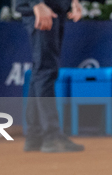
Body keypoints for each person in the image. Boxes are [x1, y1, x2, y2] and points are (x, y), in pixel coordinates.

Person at [16, 0, 85, 153]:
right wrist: (37, 4)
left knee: (43, 69)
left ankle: (36, 135)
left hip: (54, 8)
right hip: (40, 9)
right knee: (45, 70)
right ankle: (51, 135)